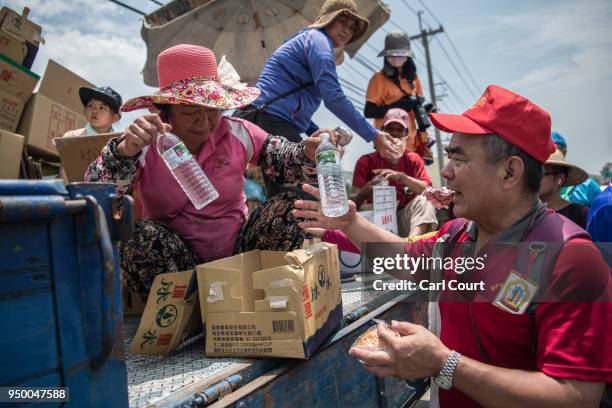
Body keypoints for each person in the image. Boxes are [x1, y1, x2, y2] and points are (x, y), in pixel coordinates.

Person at [293, 85, 610, 407]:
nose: (444, 170)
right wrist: (351, 223)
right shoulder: (457, 235)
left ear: (510, 172)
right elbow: (404, 260)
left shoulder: (571, 258)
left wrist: (446, 365)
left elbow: (576, 397)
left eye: (458, 158)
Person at [85, 44, 333, 298]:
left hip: (240, 255)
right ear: (164, 111)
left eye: (212, 110)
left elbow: (282, 158)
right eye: (190, 111)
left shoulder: (238, 132)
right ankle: (182, 313)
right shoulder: (144, 145)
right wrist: (125, 151)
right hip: (178, 266)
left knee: (291, 207)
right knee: (137, 237)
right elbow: (98, 194)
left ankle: (264, 295)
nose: (204, 121)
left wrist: (308, 151)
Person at [234, 0, 399, 196]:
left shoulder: (311, 41)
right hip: (269, 118)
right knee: (306, 193)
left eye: (352, 27)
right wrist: (374, 134)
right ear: (327, 20)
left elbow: (293, 110)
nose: (347, 30)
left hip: (268, 119)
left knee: (291, 196)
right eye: (342, 22)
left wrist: (319, 133)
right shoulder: (318, 40)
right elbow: (333, 97)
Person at [352, 108, 437, 237]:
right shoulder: (366, 161)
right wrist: (364, 192)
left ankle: (412, 247)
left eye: (399, 130)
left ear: (406, 134)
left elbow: (429, 191)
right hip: (376, 224)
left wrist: (402, 177)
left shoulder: (413, 159)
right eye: (390, 129)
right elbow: (352, 204)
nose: (394, 134)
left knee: (424, 201)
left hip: (405, 220)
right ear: (382, 132)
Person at [364, 29, 431, 161]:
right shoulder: (378, 78)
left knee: (410, 180)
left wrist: (424, 111)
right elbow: (368, 111)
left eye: (399, 54)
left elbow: (418, 104)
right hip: (386, 143)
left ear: (407, 56)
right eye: (391, 55)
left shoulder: (413, 79)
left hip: (411, 143)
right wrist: (397, 107)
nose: (395, 58)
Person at [539, 149, 590, 228]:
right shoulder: (523, 213)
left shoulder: (581, 214)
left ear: (560, 179)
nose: (533, 178)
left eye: (541, 173)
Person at [551, 130, 602, 206]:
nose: (550, 154)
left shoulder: (588, 186)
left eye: (554, 149)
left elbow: (600, 213)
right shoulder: (535, 185)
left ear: (564, 152)